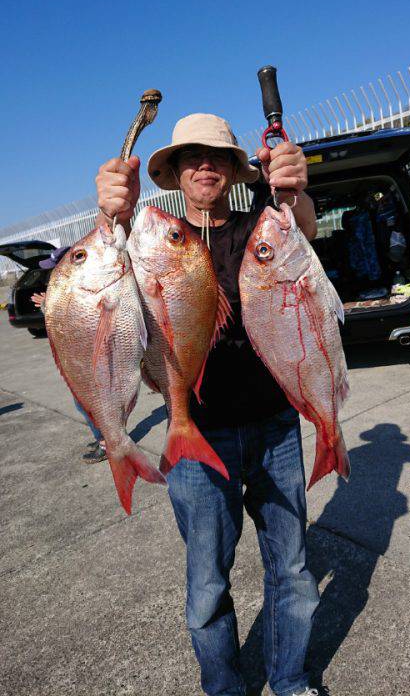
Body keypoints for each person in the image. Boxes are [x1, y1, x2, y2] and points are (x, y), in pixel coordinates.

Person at [95, 113, 320, 696]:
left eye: (217, 156)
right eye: (191, 156)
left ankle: (291, 680)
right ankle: (224, 689)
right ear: (172, 172)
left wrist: (296, 194)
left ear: (231, 169)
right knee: (206, 586)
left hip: (275, 428)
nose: (204, 165)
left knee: (293, 570)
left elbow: (303, 232)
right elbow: (103, 264)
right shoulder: (154, 238)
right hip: (196, 439)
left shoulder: (259, 227)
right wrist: (110, 212)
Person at [32, 247, 107, 464]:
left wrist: (50, 303)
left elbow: (74, 320)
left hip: (86, 358)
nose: (53, 273)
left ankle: (106, 442)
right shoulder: (66, 289)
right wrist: (48, 303)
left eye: (56, 267)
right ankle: (103, 437)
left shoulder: (78, 288)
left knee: (88, 402)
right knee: (83, 402)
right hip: (77, 357)